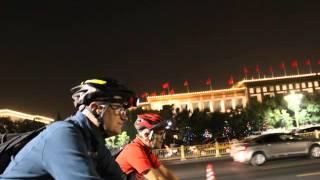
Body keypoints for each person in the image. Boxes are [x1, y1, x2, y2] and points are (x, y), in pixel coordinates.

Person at [0, 78, 136, 180]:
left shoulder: (94, 143)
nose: (124, 118)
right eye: (119, 109)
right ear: (96, 108)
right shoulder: (63, 134)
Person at [116, 113, 179, 180]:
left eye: (163, 134)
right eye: (160, 134)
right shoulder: (133, 150)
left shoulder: (147, 151)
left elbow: (166, 173)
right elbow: (156, 178)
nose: (163, 138)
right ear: (146, 135)